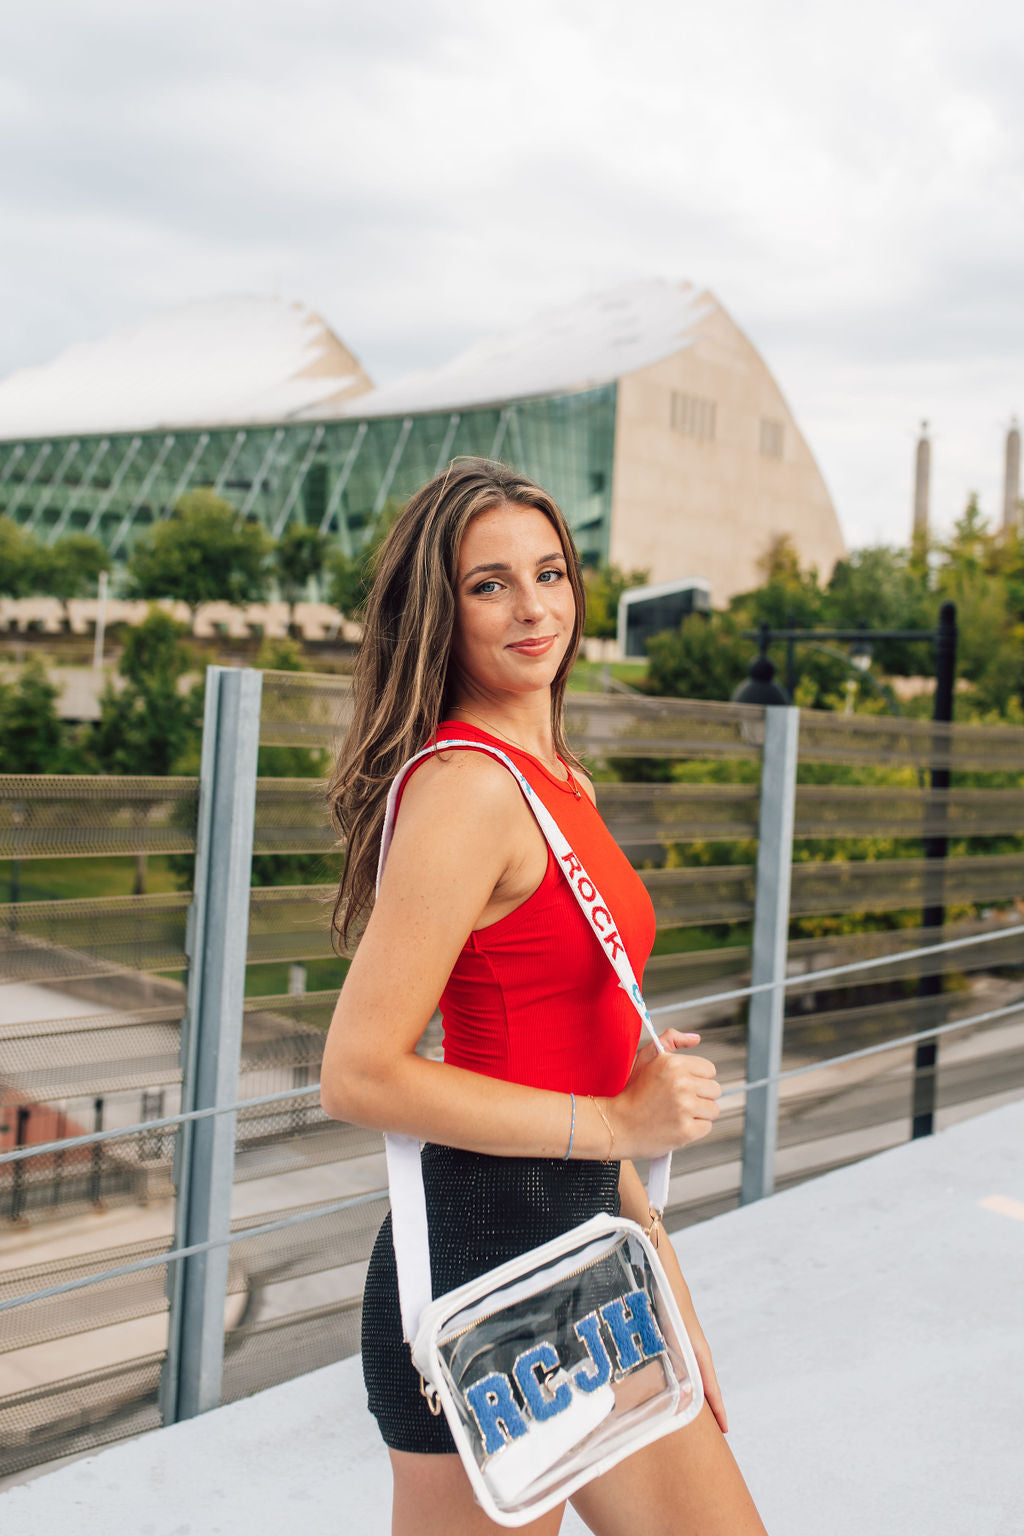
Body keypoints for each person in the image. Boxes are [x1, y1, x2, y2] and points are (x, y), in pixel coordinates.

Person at [320, 458, 766, 1535]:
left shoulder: (558, 778)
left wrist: (670, 1292)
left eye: (551, 572)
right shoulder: (468, 790)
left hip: (588, 1247)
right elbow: (357, 1071)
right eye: (490, 584)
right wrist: (618, 1118)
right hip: (487, 1264)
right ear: (440, 610)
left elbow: (588, 1047)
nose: (534, 608)